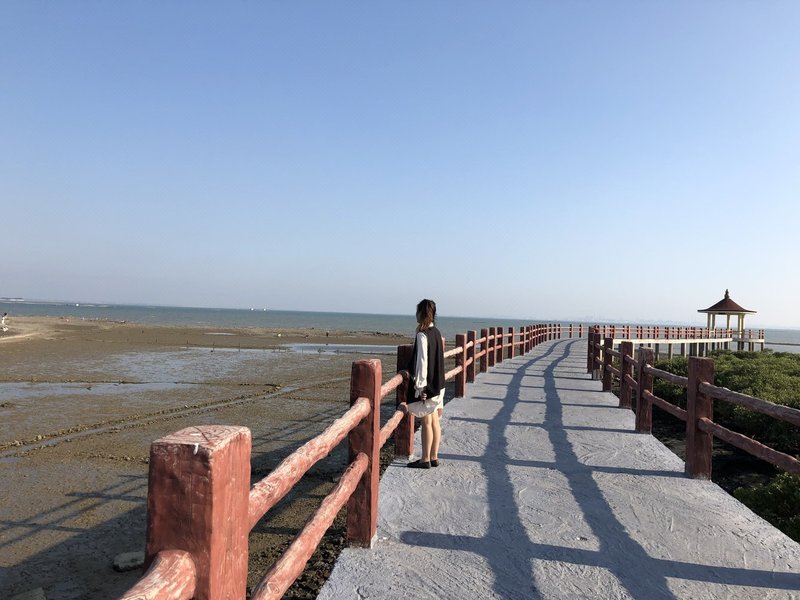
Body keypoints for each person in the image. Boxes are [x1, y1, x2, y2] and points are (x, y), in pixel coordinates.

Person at [402, 299, 445, 469]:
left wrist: (420, 387)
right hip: (439, 384)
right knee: (434, 421)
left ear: (421, 313)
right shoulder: (436, 332)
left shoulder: (422, 334)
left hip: (428, 386)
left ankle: (425, 459)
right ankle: (434, 456)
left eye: (417, 311)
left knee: (426, 421)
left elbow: (422, 362)